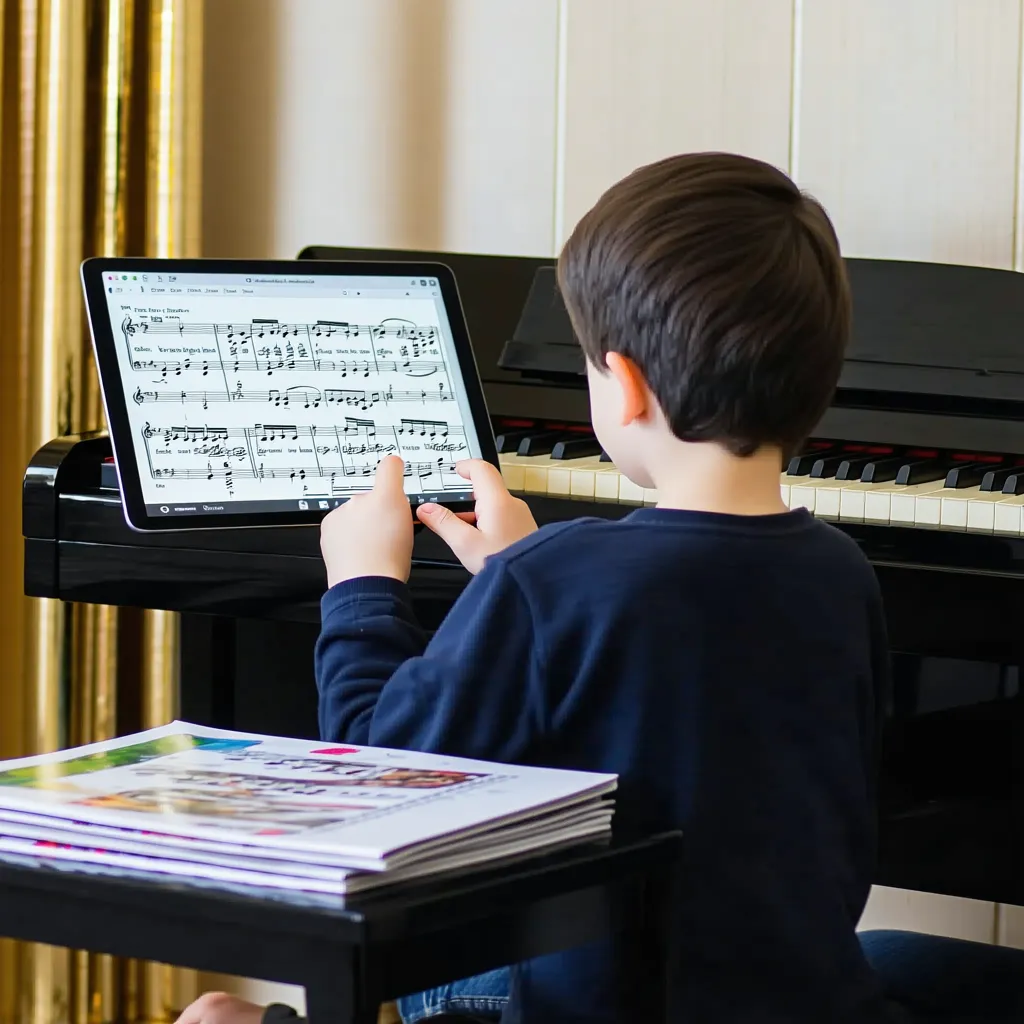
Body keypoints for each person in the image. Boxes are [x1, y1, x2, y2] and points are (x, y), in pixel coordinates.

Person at [174, 154, 1024, 1024]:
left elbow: (372, 773)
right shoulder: (838, 570)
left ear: (624, 385)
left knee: (217, 1016)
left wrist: (361, 584)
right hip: (800, 1000)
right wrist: (518, 578)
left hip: (599, 1009)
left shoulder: (560, 581)